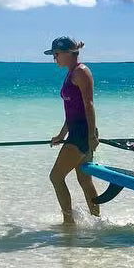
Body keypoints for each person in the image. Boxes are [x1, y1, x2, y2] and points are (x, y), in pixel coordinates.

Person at [45, 36, 100, 225]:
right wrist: (61, 135)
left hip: (82, 134)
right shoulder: (71, 73)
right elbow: (72, 111)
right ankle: (97, 222)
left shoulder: (81, 72)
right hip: (76, 133)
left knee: (56, 177)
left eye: (56, 54)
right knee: (85, 181)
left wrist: (91, 135)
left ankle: (68, 223)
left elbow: (89, 105)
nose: (55, 58)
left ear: (68, 54)